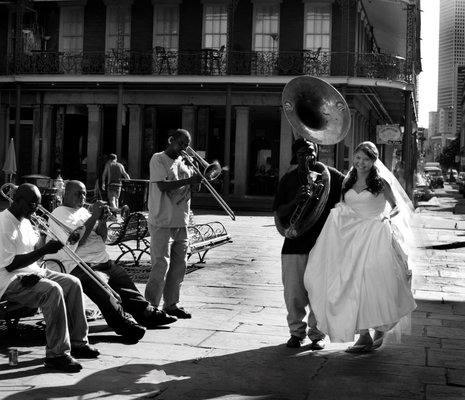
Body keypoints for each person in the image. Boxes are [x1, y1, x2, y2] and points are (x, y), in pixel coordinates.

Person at [303, 141, 417, 352]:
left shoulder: (381, 182)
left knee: (373, 282)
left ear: (373, 161)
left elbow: (396, 208)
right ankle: (363, 335)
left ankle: (377, 329)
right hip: (350, 237)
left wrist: (386, 219)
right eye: (357, 158)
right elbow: (342, 206)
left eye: (365, 159)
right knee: (348, 282)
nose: (360, 162)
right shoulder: (348, 181)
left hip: (375, 234)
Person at [46, 180, 177, 343]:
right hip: (80, 264)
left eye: (85, 193)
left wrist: (102, 220)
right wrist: (94, 216)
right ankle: (123, 324)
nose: (83, 196)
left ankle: (146, 313)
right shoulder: (59, 213)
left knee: (126, 285)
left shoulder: (83, 212)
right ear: (65, 194)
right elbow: (76, 240)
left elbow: (102, 237)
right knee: (105, 293)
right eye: (78, 193)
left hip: (103, 261)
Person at [0, 184, 99, 372]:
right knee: (52, 290)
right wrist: (45, 250)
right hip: (8, 280)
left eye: (37, 205)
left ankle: (78, 342)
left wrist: (44, 240)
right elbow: (10, 264)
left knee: (72, 283)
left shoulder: (26, 220)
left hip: (31, 272)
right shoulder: (3, 223)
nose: (35, 209)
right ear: (18, 201)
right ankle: (57, 354)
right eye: (32, 205)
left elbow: (31, 251)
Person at [273, 138, 345, 348]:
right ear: (295, 156)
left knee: (319, 293)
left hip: (322, 245)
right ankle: (296, 332)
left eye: (312, 152)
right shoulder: (287, 180)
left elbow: (351, 188)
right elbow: (279, 212)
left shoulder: (329, 175)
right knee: (293, 293)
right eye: (304, 153)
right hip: (294, 245)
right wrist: (296, 200)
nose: (310, 157)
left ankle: (317, 334)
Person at [145, 128, 202, 319]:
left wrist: (197, 176)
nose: (184, 148)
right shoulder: (158, 158)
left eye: (186, 145)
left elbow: (195, 186)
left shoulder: (185, 162)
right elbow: (162, 185)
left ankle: (171, 304)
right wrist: (189, 179)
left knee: (179, 266)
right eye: (181, 144)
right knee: (160, 265)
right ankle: (151, 306)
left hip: (181, 220)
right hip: (162, 220)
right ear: (171, 140)